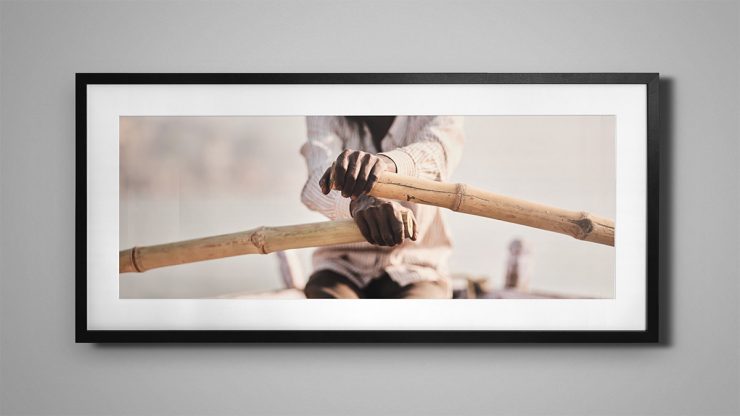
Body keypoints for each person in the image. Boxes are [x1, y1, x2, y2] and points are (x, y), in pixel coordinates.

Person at [299, 116, 464, 299]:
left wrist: (383, 165)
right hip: (340, 268)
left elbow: (437, 152)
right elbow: (317, 176)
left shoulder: (434, 98)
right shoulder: (327, 102)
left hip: (418, 266)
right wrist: (357, 201)